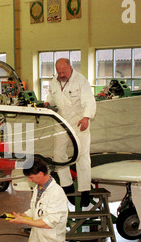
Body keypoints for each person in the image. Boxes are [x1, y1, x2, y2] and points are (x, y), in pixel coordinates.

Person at [8, 158, 70, 242]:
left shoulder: (56, 193)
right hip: (36, 241)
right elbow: (36, 210)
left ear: (41, 174)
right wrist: (22, 215)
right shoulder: (38, 188)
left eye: (31, 177)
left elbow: (49, 223)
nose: (29, 180)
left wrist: (23, 221)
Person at [45, 58, 96, 207]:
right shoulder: (55, 80)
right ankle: (67, 186)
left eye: (63, 72)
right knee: (59, 154)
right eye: (58, 72)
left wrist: (86, 117)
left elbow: (89, 101)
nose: (61, 74)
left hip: (79, 122)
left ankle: (85, 190)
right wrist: (48, 102)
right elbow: (52, 96)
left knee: (82, 155)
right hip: (61, 122)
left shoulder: (81, 81)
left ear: (70, 68)